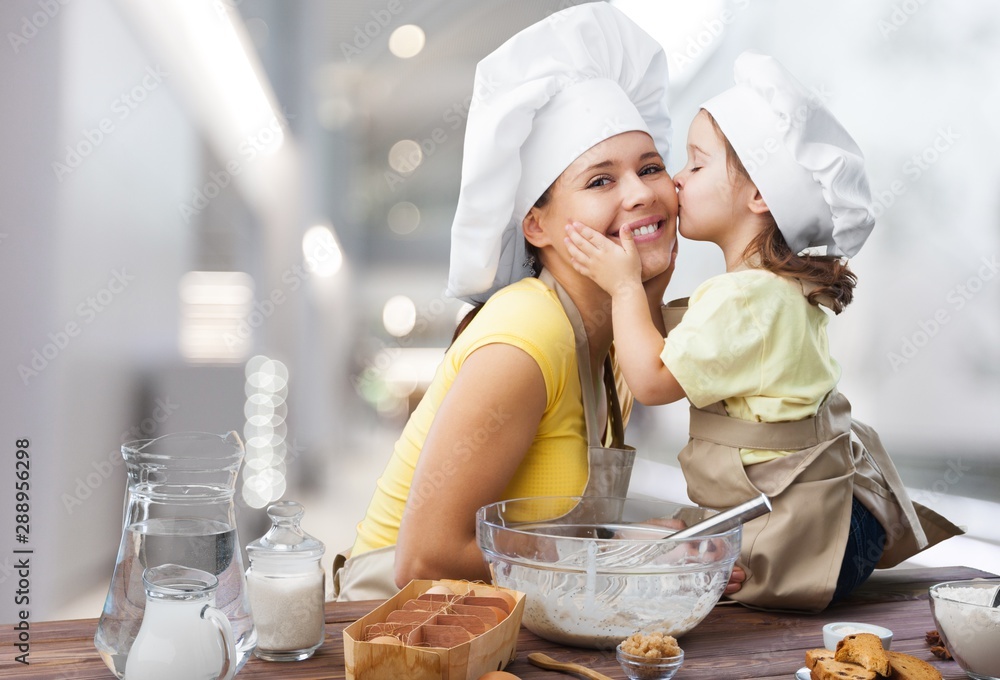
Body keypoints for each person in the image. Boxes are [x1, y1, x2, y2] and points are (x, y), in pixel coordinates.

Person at [333, 3, 747, 602]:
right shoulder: (528, 334)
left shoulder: (621, 342)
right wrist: (623, 556)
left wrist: (636, 540)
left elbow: (544, 532)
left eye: (651, 167)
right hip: (402, 629)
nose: (639, 194)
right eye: (600, 181)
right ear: (537, 226)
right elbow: (424, 559)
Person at [564, 51, 962, 611]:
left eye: (696, 166)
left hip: (806, 539)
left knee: (654, 560)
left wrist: (627, 288)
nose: (676, 179)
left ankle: (744, 566)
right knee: (659, 535)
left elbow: (652, 381)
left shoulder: (745, 297)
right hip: (838, 517)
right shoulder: (780, 288)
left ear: (759, 196)